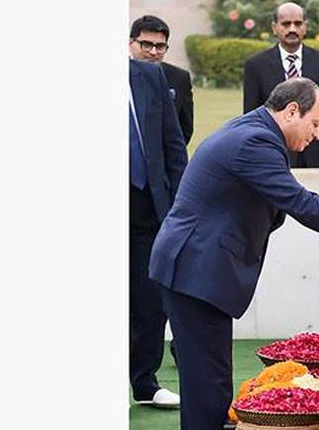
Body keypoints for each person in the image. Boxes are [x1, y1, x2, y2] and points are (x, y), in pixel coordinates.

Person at [149, 77, 319, 430]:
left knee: (209, 380)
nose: (318, 134)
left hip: (197, 268)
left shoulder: (257, 132)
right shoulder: (255, 142)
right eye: (315, 123)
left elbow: (295, 194)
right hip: (195, 269)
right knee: (208, 385)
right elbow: (300, 204)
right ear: (292, 111)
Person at [128, 58, 188, 408]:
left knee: (150, 299)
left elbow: (173, 145)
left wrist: (182, 204)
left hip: (148, 206)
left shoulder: (150, 76)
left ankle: (145, 382)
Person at [242, 2, 319, 167]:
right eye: (286, 24)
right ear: (274, 27)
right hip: (274, 158)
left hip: (317, 159)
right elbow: (251, 120)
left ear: (305, 26)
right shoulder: (256, 65)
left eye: (298, 23)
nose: (292, 29)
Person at [130, 15, 195, 146]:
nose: (153, 52)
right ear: (130, 43)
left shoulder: (179, 78)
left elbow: (184, 129)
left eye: (160, 46)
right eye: (146, 45)